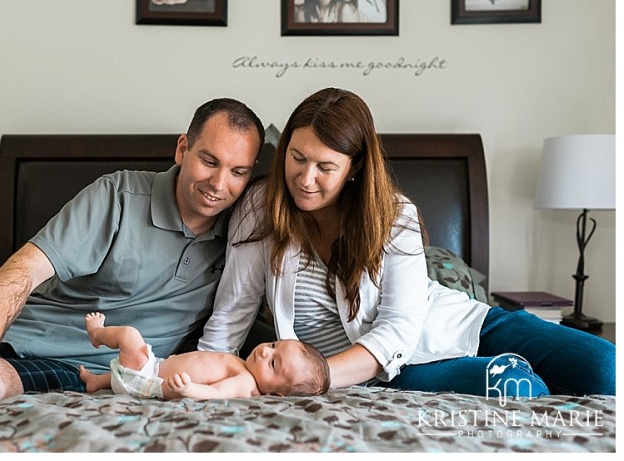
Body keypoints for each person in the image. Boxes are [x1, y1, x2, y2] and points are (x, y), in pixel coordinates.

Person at [0, 98, 265, 404]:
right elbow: (22, 269)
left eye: (239, 172)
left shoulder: (247, 230)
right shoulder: (118, 196)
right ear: (182, 149)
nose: (219, 184)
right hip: (18, 340)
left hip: (88, 375)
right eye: (209, 161)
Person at [199, 87, 615, 398]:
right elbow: (232, 313)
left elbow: (399, 326)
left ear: (355, 166)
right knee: (513, 385)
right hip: (389, 369)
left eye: (326, 167)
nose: (306, 179)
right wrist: (199, 377)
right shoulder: (260, 204)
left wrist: (320, 376)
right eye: (297, 157)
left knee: (604, 367)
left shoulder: (393, 215)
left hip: (455, 324)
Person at [80, 312, 329, 399]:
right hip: (154, 369)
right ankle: (97, 382)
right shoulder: (243, 365)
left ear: (276, 394)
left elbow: (217, 393)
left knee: (130, 336)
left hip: (149, 380)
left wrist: (189, 390)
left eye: (273, 362)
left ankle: (97, 334)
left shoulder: (245, 382)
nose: (265, 350)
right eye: (274, 344)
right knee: (137, 349)